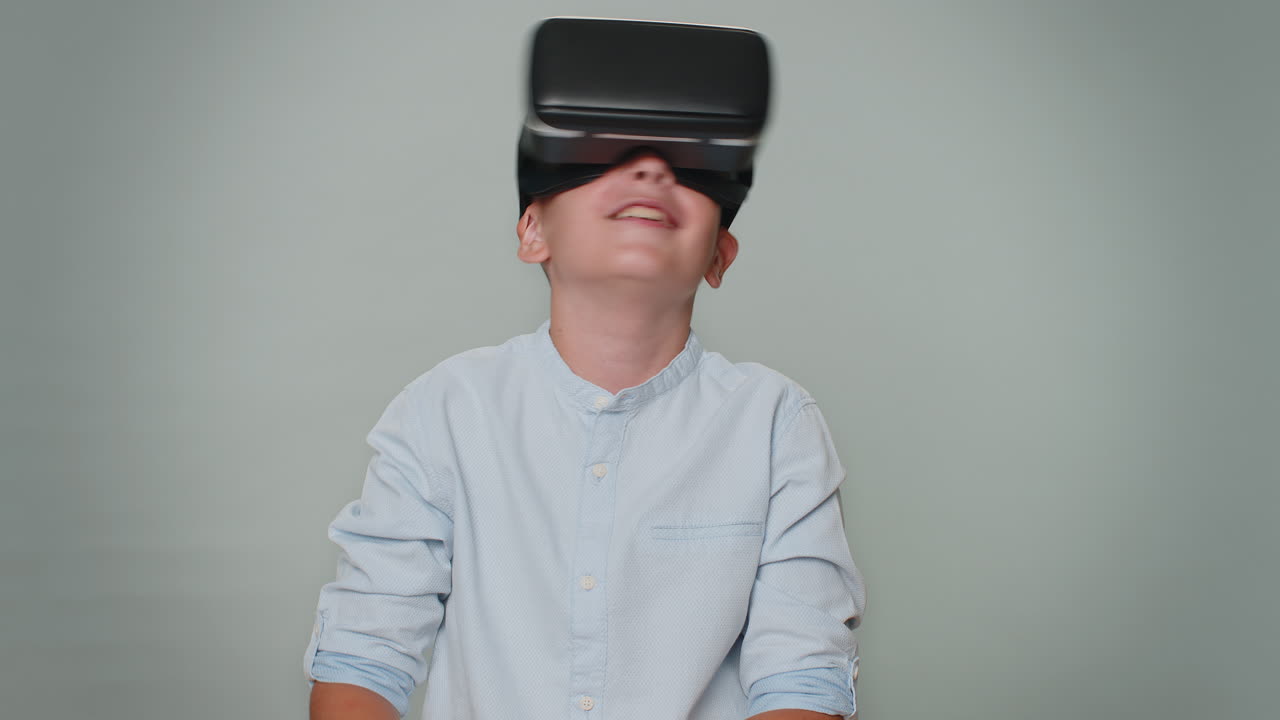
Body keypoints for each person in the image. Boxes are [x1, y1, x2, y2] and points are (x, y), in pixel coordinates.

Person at [304, 102, 866, 720]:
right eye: (606, 158)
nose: (652, 171)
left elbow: (802, 681)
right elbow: (363, 659)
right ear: (532, 231)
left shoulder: (775, 422)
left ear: (718, 257)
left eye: (691, 170)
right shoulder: (444, 409)